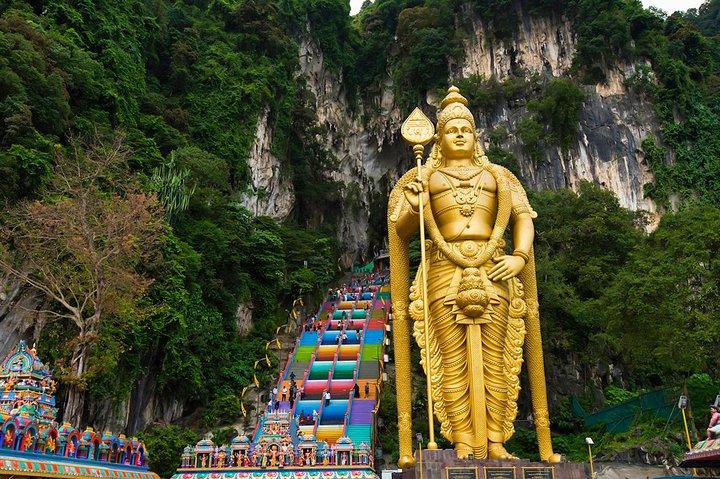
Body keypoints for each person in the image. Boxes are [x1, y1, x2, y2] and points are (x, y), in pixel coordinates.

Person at [389, 86, 559, 464]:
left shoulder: (499, 176)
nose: (460, 134)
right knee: (451, 361)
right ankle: (463, 442)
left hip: (495, 267)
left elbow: (523, 218)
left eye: (466, 128)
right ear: (439, 139)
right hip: (443, 271)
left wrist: (518, 256)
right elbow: (400, 230)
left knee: (497, 358)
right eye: (452, 130)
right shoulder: (426, 178)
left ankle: (497, 440)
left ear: (476, 135)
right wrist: (415, 204)